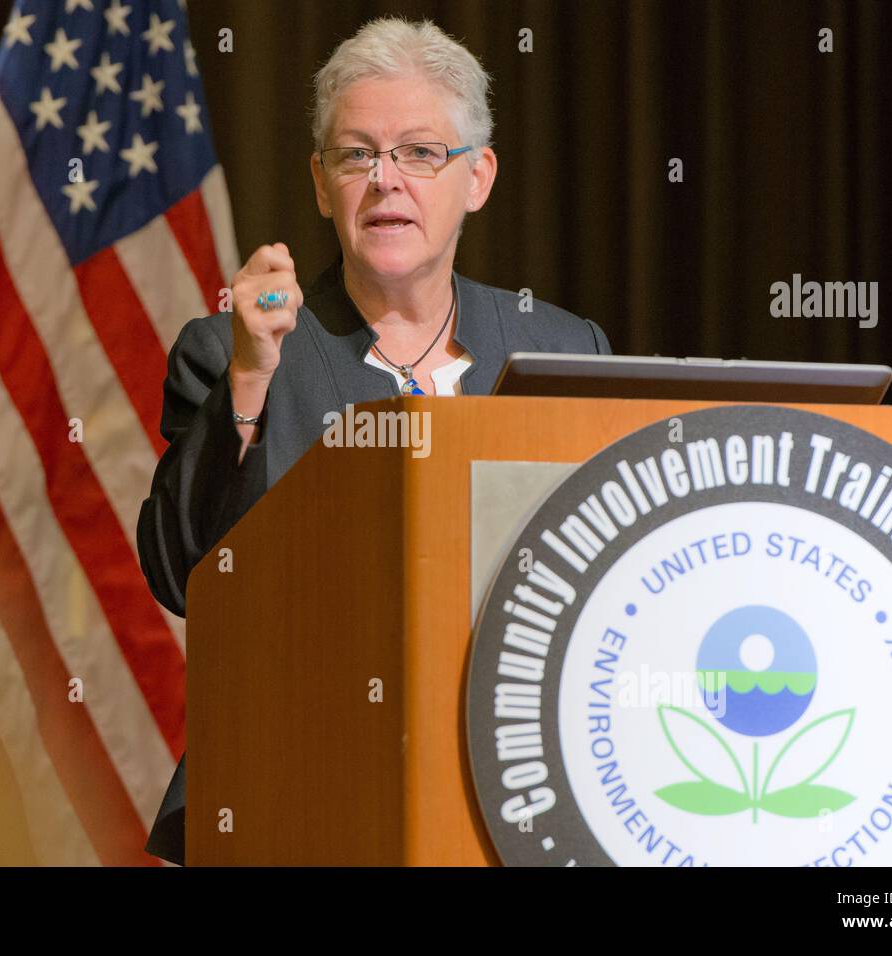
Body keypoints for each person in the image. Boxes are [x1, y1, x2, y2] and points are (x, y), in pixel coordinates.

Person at [137, 16, 613, 865]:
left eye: (420, 153)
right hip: (293, 793)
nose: (385, 180)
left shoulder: (563, 347)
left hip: (527, 789)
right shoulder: (232, 351)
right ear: (322, 185)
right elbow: (182, 576)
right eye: (358, 155)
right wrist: (251, 376)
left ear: (479, 177)